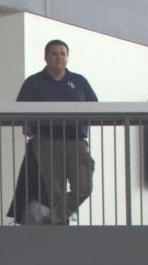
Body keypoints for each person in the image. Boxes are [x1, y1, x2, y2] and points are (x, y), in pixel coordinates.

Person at [15, 40, 99, 225]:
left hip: (75, 140)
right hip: (46, 140)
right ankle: (57, 230)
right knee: (54, 190)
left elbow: (95, 107)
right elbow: (20, 109)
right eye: (54, 53)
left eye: (62, 53)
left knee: (84, 187)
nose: (58, 57)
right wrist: (25, 123)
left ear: (67, 57)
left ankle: (52, 220)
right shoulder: (34, 82)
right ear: (46, 57)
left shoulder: (79, 81)